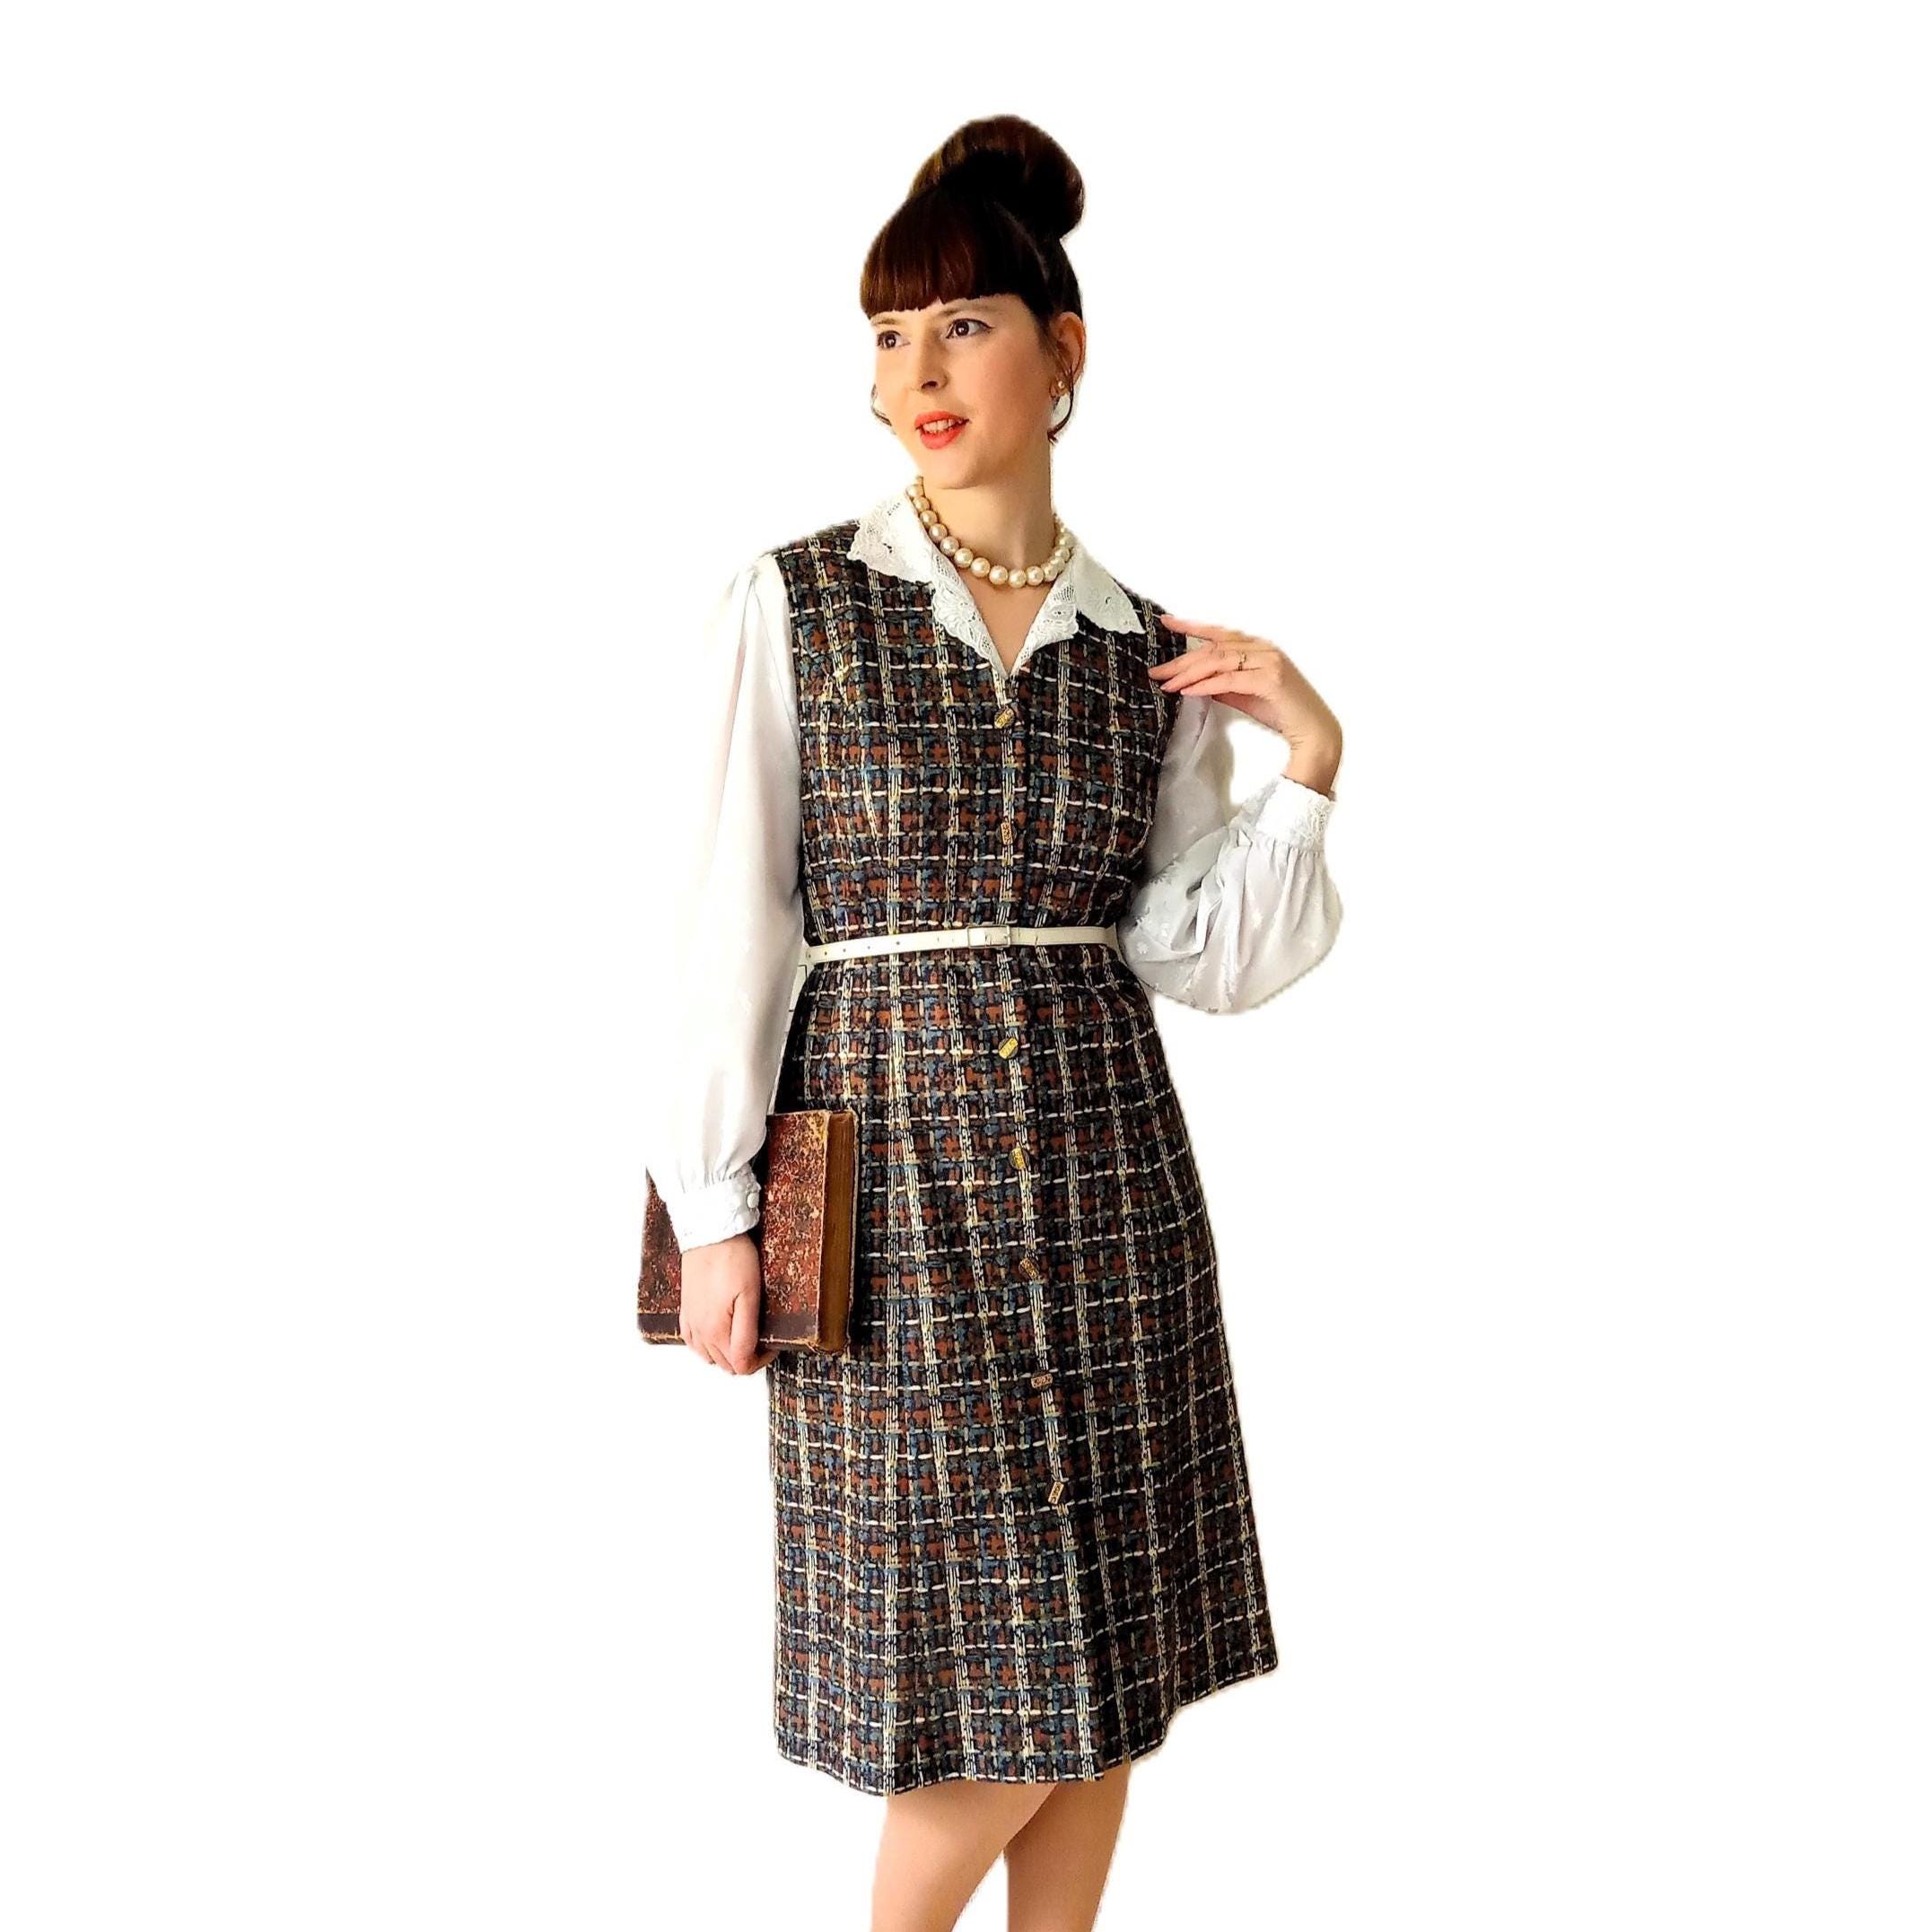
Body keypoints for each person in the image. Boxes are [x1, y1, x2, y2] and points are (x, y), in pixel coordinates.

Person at [644, 113, 1345, 1932]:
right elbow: (724, 916)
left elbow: (1199, 954)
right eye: (891, 334)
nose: (918, 374)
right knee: (971, 1662)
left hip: (1113, 1183)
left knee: (1105, 1652)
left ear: (1064, 351)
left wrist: (1308, 764)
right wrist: (710, 1211)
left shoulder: (1141, 647)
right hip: (892, 1179)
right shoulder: (795, 601)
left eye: (963, 325)